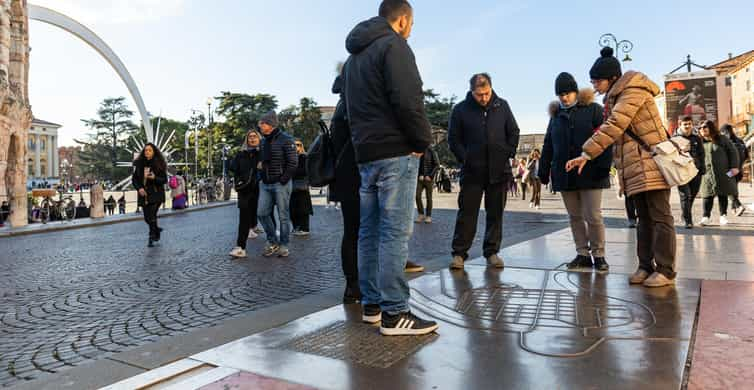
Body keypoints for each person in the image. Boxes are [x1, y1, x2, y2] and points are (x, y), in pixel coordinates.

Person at [343, 0, 438, 336]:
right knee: (395, 232)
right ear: (402, 21)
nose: (411, 31)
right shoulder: (394, 47)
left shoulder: (354, 58)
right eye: (411, 25)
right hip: (396, 151)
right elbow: (408, 99)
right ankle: (395, 312)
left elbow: (351, 110)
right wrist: (421, 141)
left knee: (367, 232)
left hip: (366, 154)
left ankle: (371, 305)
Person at [566, 47, 677, 288]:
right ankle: (646, 267)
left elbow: (615, 125)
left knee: (660, 217)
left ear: (612, 78)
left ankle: (666, 270)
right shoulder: (616, 97)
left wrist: (587, 153)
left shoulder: (633, 92)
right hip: (635, 166)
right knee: (644, 219)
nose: (594, 86)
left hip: (651, 163)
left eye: (597, 81)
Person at [539, 72, 611, 271]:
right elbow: (548, 145)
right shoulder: (555, 117)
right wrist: (544, 170)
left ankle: (599, 254)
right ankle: (582, 253)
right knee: (575, 216)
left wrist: (603, 166)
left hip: (591, 172)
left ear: (575, 91)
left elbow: (606, 138)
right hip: (565, 174)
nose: (564, 97)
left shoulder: (594, 109)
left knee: (593, 216)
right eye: (560, 94)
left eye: (568, 93)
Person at [448, 73, 520, 270]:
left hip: (499, 170)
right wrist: (466, 158)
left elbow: (514, 131)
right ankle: (459, 254)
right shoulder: (460, 110)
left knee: (495, 213)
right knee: (467, 213)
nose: (484, 98)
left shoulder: (502, 106)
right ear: (472, 91)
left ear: (491, 88)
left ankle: (492, 252)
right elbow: (453, 139)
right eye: (479, 95)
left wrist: (508, 152)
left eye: (486, 93)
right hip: (472, 171)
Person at [257, 110, 298, 258]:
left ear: (270, 124)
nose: (260, 126)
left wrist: (283, 179)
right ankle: (272, 241)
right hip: (265, 183)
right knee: (261, 213)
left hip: (281, 183)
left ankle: (284, 244)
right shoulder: (263, 142)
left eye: (262, 123)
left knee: (283, 216)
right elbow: (262, 161)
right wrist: (260, 172)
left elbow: (293, 162)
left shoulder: (286, 139)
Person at [699, 120, 740, 226]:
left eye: (704, 127)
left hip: (725, 172)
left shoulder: (722, 139)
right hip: (706, 174)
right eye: (700, 128)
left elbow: (733, 151)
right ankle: (705, 217)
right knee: (707, 196)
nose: (702, 130)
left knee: (723, 194)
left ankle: (723, 216)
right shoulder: (699, 142)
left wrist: (734, 167)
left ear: (711, 128)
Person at [229, 130, 262, 258]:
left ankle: (273, 241)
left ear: (259, 139)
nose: (252, 139)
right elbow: (233, 168)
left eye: (255, 136)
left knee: (265, 215)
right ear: (247, 140)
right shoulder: (241, 154)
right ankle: (240, 247)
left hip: (260, 189)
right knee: (243, 219)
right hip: (244, 190)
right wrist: (239, 179)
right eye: (250, 137)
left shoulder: (263, 153)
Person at [132, 143, 168, 247]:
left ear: (154, 152)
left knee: (152, 216)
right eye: (145, 150)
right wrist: (139, 188)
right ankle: (156, 230)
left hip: (156, 194)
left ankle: (151, 237)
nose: (147, 152)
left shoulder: (159, 164)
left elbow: (164, 180)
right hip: (143, 194)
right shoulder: (139, 164)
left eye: (149, 150)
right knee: (147, 218)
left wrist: (154, 178)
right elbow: (134, 179)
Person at [676, 116, 706, 228]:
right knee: (685, 196)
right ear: (680, 125)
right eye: (685, 124)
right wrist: (681, 150)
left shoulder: (697, 138)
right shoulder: (675, 139)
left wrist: (702, 168)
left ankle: (685, 214)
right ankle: (688, 221)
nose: (687, 126)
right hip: (681, 171)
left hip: (696, 171)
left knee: (692, 195)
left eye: (689, 124)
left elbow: (702, 154)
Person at [721, 124, 749, 216]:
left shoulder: (725, 142)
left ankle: (738, 205)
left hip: (730, 171)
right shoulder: (740, 141)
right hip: (739, 170)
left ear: (724, 132)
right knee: (733, 188)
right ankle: (734, 208)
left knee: (727, 188)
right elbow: (746, 156)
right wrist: (740, 165)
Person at [290, 139, 313, 236]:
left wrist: (291, 172)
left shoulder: (304, 157)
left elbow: (304, 171)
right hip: (291, 187)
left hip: (302, 186)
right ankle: (296, 227)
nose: (296, 147)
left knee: (303, 208)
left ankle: (305, 228)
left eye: (298, 145)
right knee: (292, 208)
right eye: (294, 145)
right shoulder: (289, 158)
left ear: (301, 146)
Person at [415, 145, 439, 224]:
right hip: (420, 179)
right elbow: (415, 164)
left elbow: (437, 165)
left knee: (429, 197)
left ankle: (428, 216)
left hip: (429, 179)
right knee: (417, 196)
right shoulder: (417, 150)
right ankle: (421, 214)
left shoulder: (431, 150)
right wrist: (419, 175)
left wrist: (430, 176)